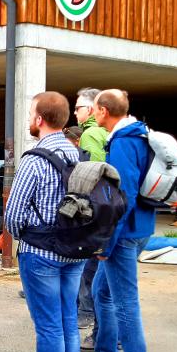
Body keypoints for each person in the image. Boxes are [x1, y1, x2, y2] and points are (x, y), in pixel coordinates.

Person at [5, 92, 83, 352]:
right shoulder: (80, 155)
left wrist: (26, 237)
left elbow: (13, 215)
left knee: (49, 326)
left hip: (41, 253)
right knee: (69, 324)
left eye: (31, 113)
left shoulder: (35, 160)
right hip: (76, 251)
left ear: (39, 120)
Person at [86, 89, 154, 352]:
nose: (90, 113)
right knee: (102, 292)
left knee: (125, 303)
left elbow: (122, 197)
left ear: (102, 111)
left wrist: (106, 243)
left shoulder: (124, 142)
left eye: (92, 109)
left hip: (125, 235)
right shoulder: (137, 134)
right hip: (140, 228)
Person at [74, 88, 108, 339]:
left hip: (95, 213)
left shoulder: (89, 135)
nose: (75, 112)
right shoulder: (108, 131)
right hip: (111, 211)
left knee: (88, 267)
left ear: (90, 110)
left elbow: (92, 175)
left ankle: (86, 314)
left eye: (78, 108)